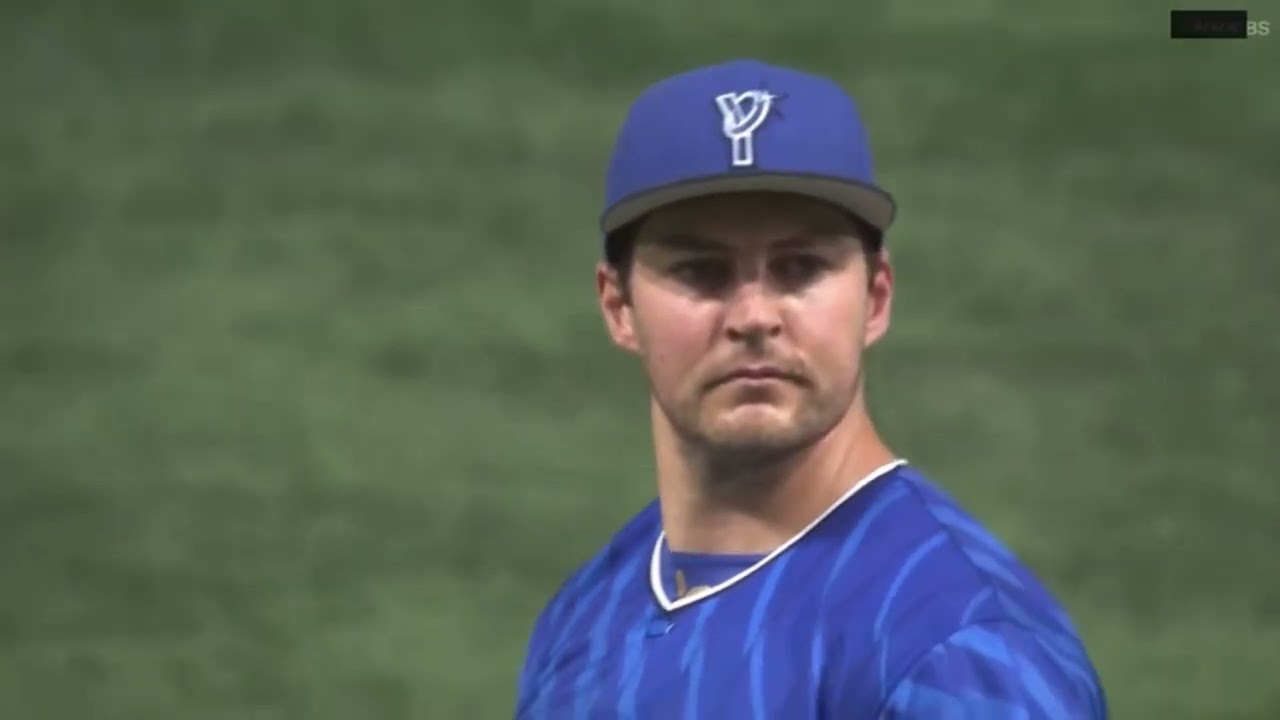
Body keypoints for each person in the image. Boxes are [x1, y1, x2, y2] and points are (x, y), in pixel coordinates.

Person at [513, 58, 1108, 719]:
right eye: (701, 271)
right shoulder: (588, 615)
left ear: (876, 299)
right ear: (618, 306)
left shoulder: (958, 652)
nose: (754, 316)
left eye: (800, 268)